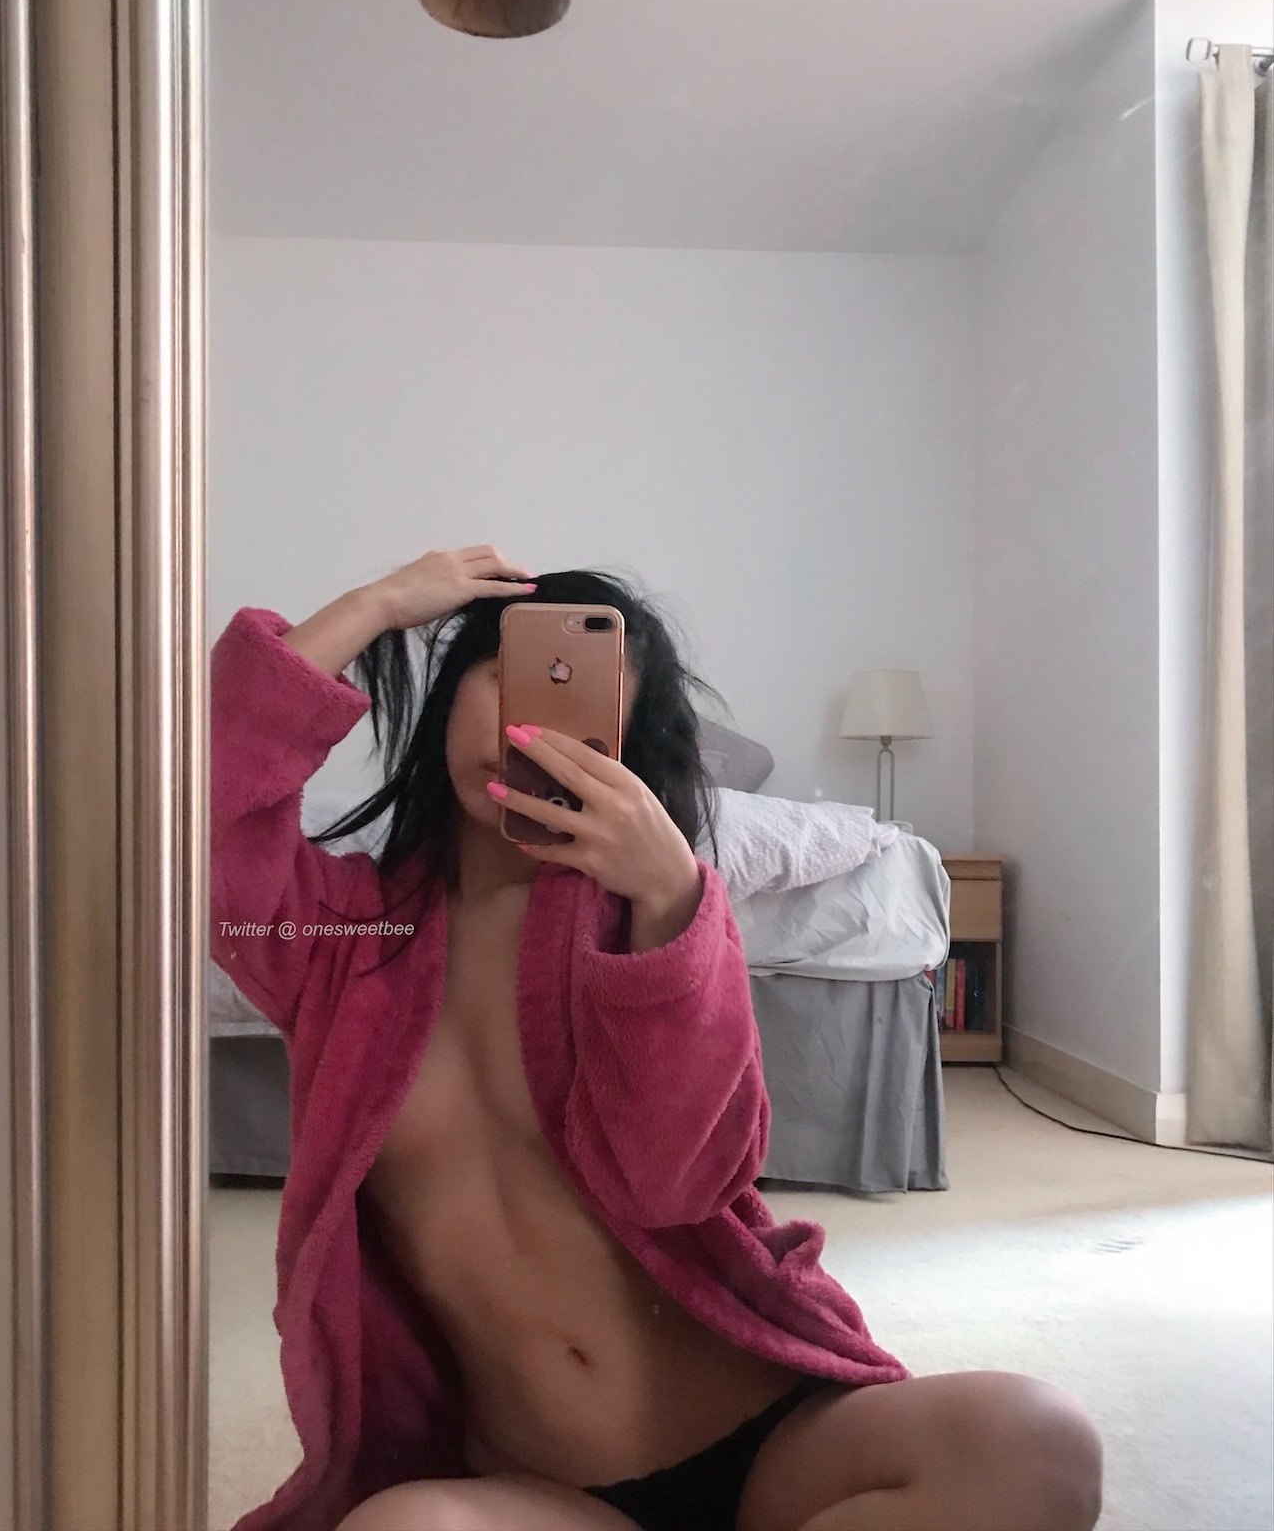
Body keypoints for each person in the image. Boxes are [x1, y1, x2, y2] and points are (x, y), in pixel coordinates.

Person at [211, 545, 1103, 1531]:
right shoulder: (341, 941)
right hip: (546, 1491)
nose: (525, 724)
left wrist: (672, 901)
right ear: (448, 692)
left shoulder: (644, 924)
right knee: (402, 1530)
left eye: (577, 698)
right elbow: (195, 813)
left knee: (1037, 1438)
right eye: (503, 673)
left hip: (771, 1444)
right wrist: (379, 604)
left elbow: (678, 1183)